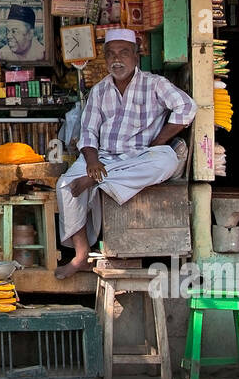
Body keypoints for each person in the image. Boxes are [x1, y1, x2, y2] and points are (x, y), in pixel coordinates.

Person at [55, 28, 196, 278]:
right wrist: (92, 161)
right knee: (65, 184)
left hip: (141, 158)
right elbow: (88, 132)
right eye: (110, 54)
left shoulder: (155, 84)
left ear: (136, 55)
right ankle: (80, 255)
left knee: (166, 160)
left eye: (123, 53)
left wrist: (159, 140)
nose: (116, 59)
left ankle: (99, 180)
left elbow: (187, 107)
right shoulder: (99, 90)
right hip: (104, 158)